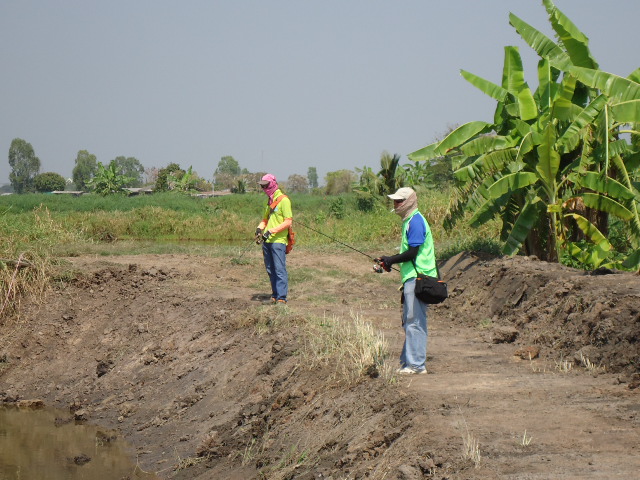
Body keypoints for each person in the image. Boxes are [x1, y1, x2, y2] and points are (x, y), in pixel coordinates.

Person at [376, 187, 437, 375]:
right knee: (409, 321)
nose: (396, 204)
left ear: (410, 201)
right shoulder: (409, 221)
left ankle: (416, 365)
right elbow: (408, 252)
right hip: (412, 278)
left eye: (400, 201)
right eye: (395, 201)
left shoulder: (416, 221)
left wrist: (391, 259)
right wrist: (388, 261)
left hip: (419, 278)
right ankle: (408, 362)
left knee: (415, 321)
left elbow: (412, 253)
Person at [255, 174, 293, 305]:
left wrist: (271, 231)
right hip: (267, 242)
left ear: (272, 184)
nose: (264, 188)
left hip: (278, 241)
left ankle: (282, 298)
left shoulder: (284, 200)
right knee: (270, 269)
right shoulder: (269, 201)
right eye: (262, 186)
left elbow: (288, 222)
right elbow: (265, 219)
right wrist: (260, 228)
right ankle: (275, 295)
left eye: (266, 185)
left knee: (279, 269)